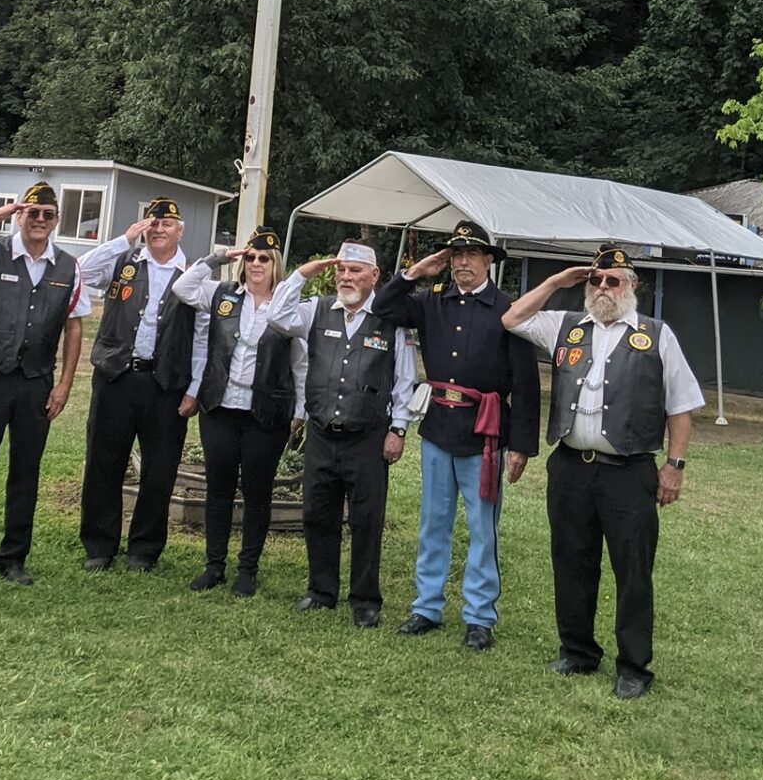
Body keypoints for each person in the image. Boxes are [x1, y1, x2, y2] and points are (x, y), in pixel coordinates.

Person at [499, 244, 704, 698]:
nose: (603, 288)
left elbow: (682, 406)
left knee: (632, 570)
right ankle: (577, 651)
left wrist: (675, 465)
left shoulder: (655, 335)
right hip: (571, 466)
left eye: (614, 280)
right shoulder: (567, 327)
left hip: (629, 472)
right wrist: (556, 282)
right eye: (596, 280)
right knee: (571, 560)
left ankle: (633, 666)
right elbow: (511, 318)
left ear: (632, 286)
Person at [373, 219, 540, 652]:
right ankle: (427, 606)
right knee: (434, 522)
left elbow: (524, 383)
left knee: (482, 527)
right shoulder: (431, 302)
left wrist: (521, 444)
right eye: (456, 255)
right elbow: (384, 308)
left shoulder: (507, 309)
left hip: (483, 432)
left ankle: (479, 616)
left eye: (471, 255)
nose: (463, 262)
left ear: (488, 261)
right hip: (438, 427)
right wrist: (413, 273)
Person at [0, 181, 90, 586]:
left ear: (56, 220)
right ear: (20, 215)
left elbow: (74, 328)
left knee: (26, 471)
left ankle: (13, 558)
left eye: (48, 214)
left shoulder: (68, 266)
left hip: (36, 382)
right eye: (32, 212)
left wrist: (64, 384)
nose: (40, 220)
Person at [266, 241, 416, 628]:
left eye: (355, 271)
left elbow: (404, 380)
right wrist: (302, 274)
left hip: (367, 435)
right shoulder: (317, 310)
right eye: (342, 271)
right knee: (317, 513)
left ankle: (365, 599)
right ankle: (321, 591)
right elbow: (277, 316)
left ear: (374, 277)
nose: (346, 277)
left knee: (367, 519)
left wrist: (398, 428)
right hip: (321, 433)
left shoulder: (390, 319)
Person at [171, 226, 307, 598]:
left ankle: (247, 568)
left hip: (266, 411)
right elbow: (182, 289)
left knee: (257, 492)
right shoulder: (222, 294)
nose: (257, 263)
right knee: (219, 489)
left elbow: (300, 364)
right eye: (251, 257)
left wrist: (301, 410)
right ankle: (214, 565)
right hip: (220, 407)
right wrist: (216, 260)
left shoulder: (287, 305)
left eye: (265, 258)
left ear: (276, 264)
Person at [78, 197, 197, 572]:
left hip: (165, 385)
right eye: (152, 223)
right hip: (116, 375)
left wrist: (194, 388)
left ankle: (143, 551)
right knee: (103, 463)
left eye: (166, 224)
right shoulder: (123, 262)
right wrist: (123, 240)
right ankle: (99, 546)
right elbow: (79, 272)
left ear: (179, 231)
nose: (158, 229)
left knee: (159, 470)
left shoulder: (193, 274)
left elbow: (205, 337)